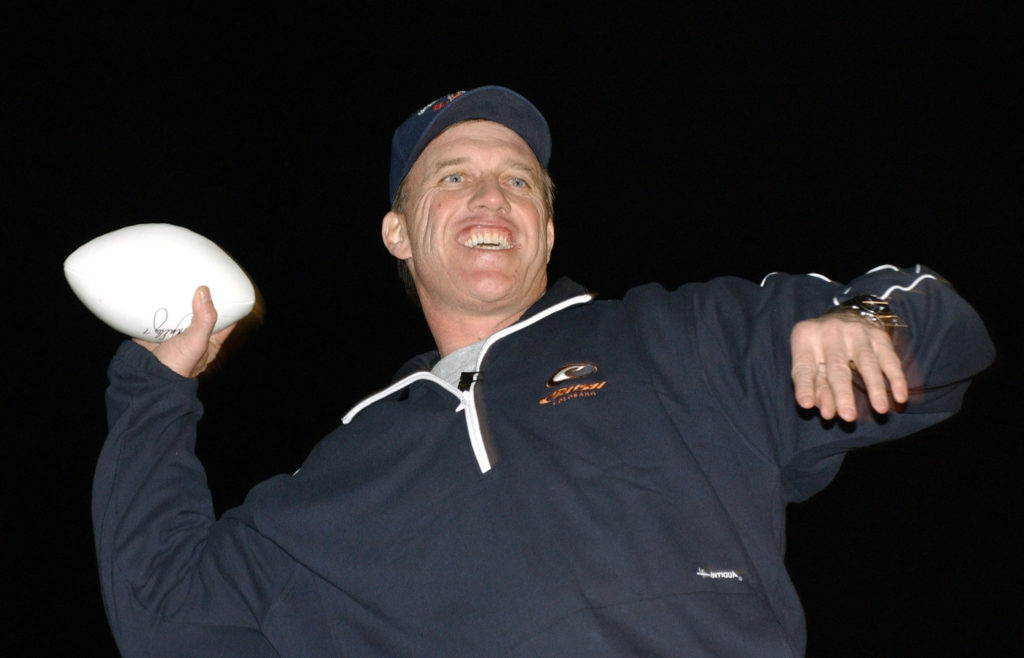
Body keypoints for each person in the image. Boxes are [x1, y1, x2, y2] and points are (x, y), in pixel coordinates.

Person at [93, 86, 994, 656]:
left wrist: (866, 320)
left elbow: (940, 330)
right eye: (452, 179)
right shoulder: (347, 471)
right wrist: (153, 388)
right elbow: (169, 611)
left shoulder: (681, 338)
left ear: (549, 230)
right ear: (398, 234)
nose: (491, 197)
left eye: (520, 182)